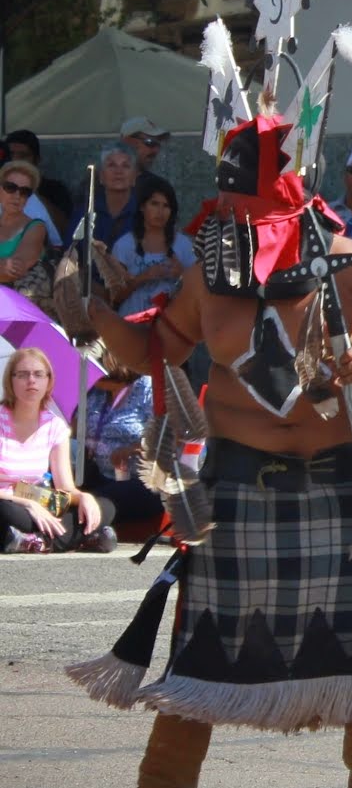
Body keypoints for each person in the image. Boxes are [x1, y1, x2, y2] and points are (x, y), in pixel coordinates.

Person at [67, 111, 352, 788]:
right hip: (239, 476)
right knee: (203, 639)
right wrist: (90, 312)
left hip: (338, 476)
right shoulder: (208, 273)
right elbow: (155, 349)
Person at [0, 347, 116, 553]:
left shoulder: (55, 426)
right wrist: (26, 504)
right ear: (11, 381)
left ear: (48, 381)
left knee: (104, 507)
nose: (31, 381)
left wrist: (83, 498)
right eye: (23, 375)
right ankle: (79, 538)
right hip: (8, 502)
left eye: (38, 374)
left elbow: (65, 490)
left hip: (40, 502)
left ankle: (33, 541)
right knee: (5, 511)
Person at [78, 342, 163, 527]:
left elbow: (168, 435)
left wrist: (131, 449)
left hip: (142, 482)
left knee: (94, 500)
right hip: (102, 475)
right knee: (68, 494)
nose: (88, 376)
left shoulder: (148, 387)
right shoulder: (96, 394)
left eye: (94, 369)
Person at [109, 176, 196, 317]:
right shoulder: (124, 245)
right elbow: (113, 297)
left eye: (166, 206)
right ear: (142, 207)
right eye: (154, 204)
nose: (160, 212)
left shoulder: (184, 245)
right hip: (131, 328)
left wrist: (182, 275)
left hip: (171, 327)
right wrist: (143, 277)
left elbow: (200, 292)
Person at [4, 129, 70, 244]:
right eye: (10, 155)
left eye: (23, 155)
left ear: (37, 159)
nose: (15, 160)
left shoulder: (54, 189)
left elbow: (65, 232)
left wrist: (31, 191)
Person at [0, 160, 51, 305]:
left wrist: (6, 267)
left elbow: (15, 270)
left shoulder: (36, 227)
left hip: (13, 307)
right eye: (10, 187)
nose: (17, 195)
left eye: (24, 192)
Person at [75, 143, 141, 247]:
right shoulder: (85, 212)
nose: (118, 171)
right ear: (101, 176)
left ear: (134, 177)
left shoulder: (144, 212)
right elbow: (70, 252)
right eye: (111, 165)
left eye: (125, 166)